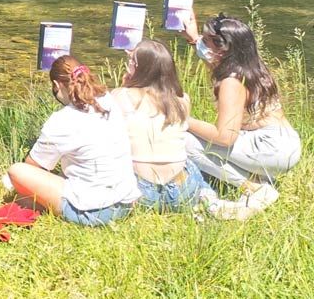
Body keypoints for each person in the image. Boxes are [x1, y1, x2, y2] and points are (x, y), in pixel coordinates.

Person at [181, 11, 301, 217]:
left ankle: (254, 187)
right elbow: (210, 58)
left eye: (206, 41)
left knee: (184, 140)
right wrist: (193, 39)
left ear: (222, 49)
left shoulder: (231, 82)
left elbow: (225, 137)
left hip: (269, 149)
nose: (202, 45)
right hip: (285, 143)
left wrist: (183, 120)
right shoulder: (249, 66)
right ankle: (257, 179)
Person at [7, 55, 140, 226]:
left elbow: (33, 166)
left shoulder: (62, 119)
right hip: (127, 200)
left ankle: (39, 205)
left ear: (56, 85)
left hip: (95, 211)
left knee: (17, 171)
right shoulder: (109, 100)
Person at [109, 40, 206, 212]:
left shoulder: (120, 96)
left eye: (131, 61)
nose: (128, 64)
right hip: (182, 193)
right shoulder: (182, 99)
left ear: (139, 68)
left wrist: (124, 84)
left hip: (140, 194)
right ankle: (209, 197)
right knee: (188, 161)